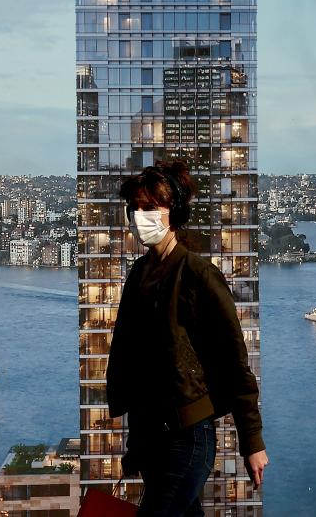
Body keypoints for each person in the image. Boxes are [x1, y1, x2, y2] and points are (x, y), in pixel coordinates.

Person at [106, 160, 268, 516]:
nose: (140, 217)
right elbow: (134, 360)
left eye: (150, 208)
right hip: (151, 439)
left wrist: (251, 441)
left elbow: (234, 362)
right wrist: (135, 446)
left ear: (173, 212)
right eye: (134, 208)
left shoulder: (198, 275)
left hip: (188, 436)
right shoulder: (139, 274)